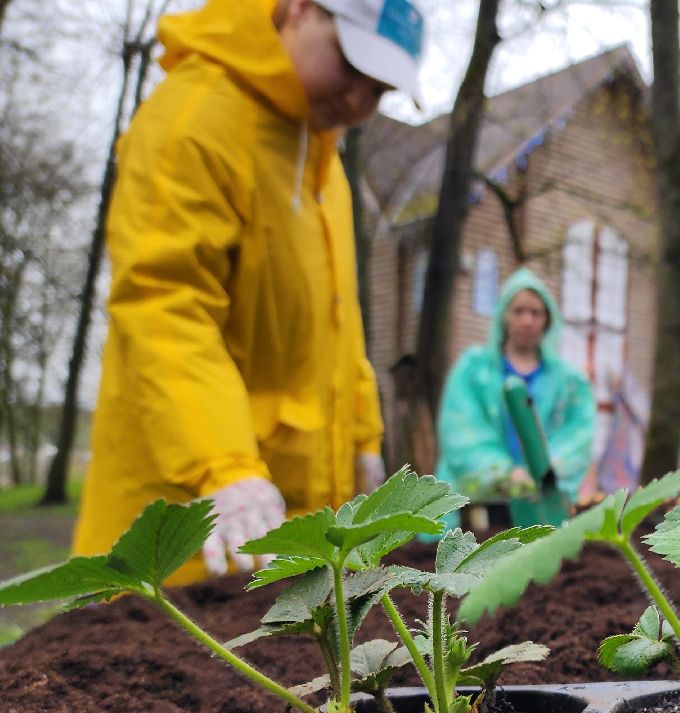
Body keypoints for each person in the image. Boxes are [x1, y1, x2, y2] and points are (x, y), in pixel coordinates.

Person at [72, 0, 426, 583]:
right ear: (298, 10)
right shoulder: (193, 120)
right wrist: (224, 466)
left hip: (283, 528)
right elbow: (165, 306)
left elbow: (337, 323)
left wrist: (364, 434)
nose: (360, 100)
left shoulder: (322, 159)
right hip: (186, 527)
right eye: (350, 63)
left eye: (381, 89)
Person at [435, 268, 595, 528]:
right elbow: (460, 431)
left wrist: (545, 470)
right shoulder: (473, 371)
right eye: (519, 311)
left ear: (548, 320)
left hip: (544, 507)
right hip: (480, 507)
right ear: (504, 317)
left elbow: (578, 434)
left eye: (536, 313)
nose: (527, 320)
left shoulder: (569, 383)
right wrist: (506, 474)